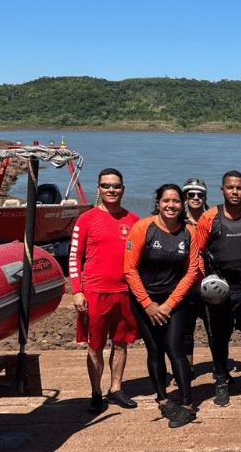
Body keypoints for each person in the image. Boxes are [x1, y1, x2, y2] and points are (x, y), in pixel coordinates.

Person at [123, 184, 200, 428]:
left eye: (176, 201)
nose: (171, 205)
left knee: (174, 347)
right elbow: (130, 269)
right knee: (154, 350)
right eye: (166, 200)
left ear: (183, 204)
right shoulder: (142, 228)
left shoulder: (189, 232)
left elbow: (192, 271)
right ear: (157, 202)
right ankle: (163, 399)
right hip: (144, 300)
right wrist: (147, 304)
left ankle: (188, 404)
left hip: (173, 301)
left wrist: (168, 305)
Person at [69, 168, 140, 414]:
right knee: (95, 346)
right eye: (106, 186)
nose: (111, 190)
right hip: (94, 292)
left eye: (116, 186)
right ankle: (96, 392)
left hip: (124, 293)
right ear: (98, 189)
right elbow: (74, 257)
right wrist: (76, 291)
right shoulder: (85, 219)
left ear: (123, 188)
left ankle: (116, 388)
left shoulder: (133, 220)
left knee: (121, 343)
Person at [190, 170, 241, 407]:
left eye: (239, 188)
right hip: (219, 290)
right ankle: (221, 381)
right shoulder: (209, 218)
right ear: (222, 190)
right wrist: (205, 283)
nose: (235, 191)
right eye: (230, 187)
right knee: (218, 339)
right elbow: (198, 254)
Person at [180, 178, 212, 373]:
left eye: (200, 194)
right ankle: (186, 369)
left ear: (205, 197)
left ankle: (220, 370)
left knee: (215, 331)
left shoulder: (212, 219)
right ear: (185, 198)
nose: (195, 198)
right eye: (191, 194)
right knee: (185, 331)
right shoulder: (176, 220)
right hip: (186, 284)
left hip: (210, 283)